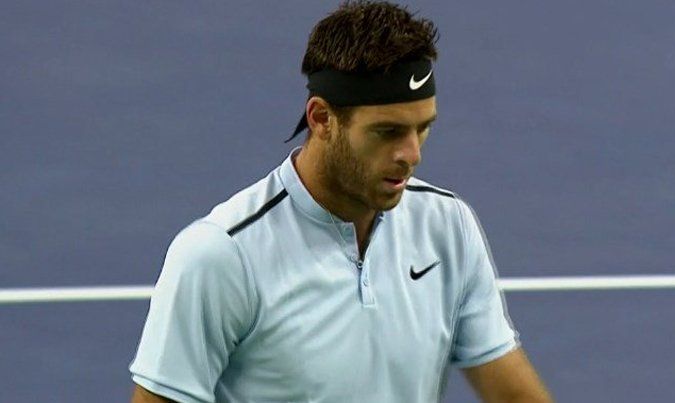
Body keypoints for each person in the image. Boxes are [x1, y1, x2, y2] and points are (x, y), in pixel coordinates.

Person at [129, 1, 553, 402]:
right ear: (321, 119)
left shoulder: (447, 227)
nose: (412, 154)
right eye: (388, 132)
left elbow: (516, 395)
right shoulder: (222, 255)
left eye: (422, 128)